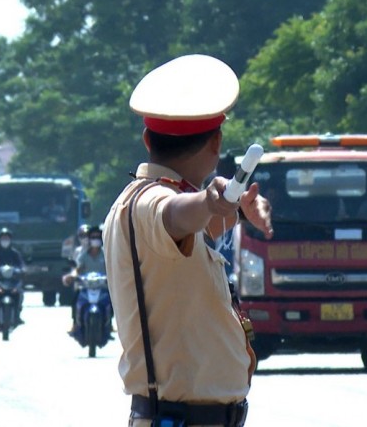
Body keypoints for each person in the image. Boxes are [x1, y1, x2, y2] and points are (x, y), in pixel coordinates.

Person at [103, 54, 273, 426]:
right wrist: (211, 199)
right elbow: (179, 215)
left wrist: (237, 209)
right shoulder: (150, 202)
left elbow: (197, 226)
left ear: (147, 139)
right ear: (217, 142)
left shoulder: (149, 203)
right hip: (179, 419)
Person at [63, 226, 106, 334]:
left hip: (103, 287)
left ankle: (109, 324)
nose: (95, 239)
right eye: (93, 237)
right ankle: (76, 324)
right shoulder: (83, 255)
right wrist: (71, 276)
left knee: (111, 301)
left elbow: (113, 268)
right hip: (86, 286)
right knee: (76, 300)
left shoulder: (106, 254)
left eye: (97, 237)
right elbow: (78, 269)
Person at [0, 228, 25, 325]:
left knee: (19, 293)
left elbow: (21, 265)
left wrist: (21, 270)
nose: (5, 241)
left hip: (12, 281)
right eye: (3, 238)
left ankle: (17, 315)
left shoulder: (15, 253)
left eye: (7, 238)